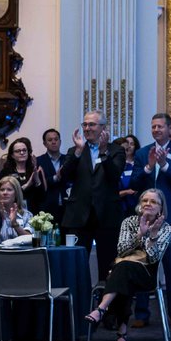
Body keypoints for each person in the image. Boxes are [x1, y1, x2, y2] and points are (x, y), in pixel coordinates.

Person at [84, 189, 171, 341]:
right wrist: (140, 234)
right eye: (145, 200)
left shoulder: (165, 228)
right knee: (124, 274)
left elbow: (153, 258)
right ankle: (121, 334)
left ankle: (102, 309)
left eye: (153, 202)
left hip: (147, 273)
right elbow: (122, 250)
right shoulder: (129, 222)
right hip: (123, 269)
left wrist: (152, 235)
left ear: (160, 208)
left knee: (121, 271)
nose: (148, 204)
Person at [129, 113, 171, 328]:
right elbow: (134, 183)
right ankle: (142, 314)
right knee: (145, 264)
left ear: (170, 128)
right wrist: (148, 166)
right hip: (146, 219)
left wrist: (164, 165)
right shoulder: (143, 152)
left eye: (160, 126)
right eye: (153, 126)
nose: (156, 130)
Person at [58, 112, 126, 273]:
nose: (87, 128)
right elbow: (64, 176)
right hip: (79, 216)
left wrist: (103, 153)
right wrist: (77, 153)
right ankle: (80, 297)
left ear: (103, 128)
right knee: (76, 265)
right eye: (85, 125)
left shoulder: (116, 150)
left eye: (92, 125)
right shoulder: (75, 150)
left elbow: (114, 175)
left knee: (108, 263)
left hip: (106, 215)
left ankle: (105, 298)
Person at [0, 136, 45, 214]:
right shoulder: (6, 172)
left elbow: (42, 195)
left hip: (33, 211)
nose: (22, 153)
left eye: (24, 150)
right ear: (12, 155)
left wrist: (37, 179)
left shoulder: (34, 169)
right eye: (18, 151)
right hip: (13, 210)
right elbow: (6, 194)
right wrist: (27, 185)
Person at [35, 128, 68, 223]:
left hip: (66, 208)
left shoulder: (67, 160)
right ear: (44, 144)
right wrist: (55, 178)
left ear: (60, 142)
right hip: (46, 208)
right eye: (50, 140)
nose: (54, 142)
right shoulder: (38, 161)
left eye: (56, 139)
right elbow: (38, 184)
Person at [0, 176, 32, 244]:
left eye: (9, 190)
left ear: (16, 193)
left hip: (21, 253)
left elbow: (29, 239)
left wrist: (14, 224)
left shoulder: (27, 215)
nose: (5, 193)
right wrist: (0, 220)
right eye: (2, 190)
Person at [116, 134, 140, 218]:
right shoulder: (117, 164)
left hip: (137, 204)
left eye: (132, 144)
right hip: (121, 205)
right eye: (127, 143)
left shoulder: (139, 163)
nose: (129, 146)